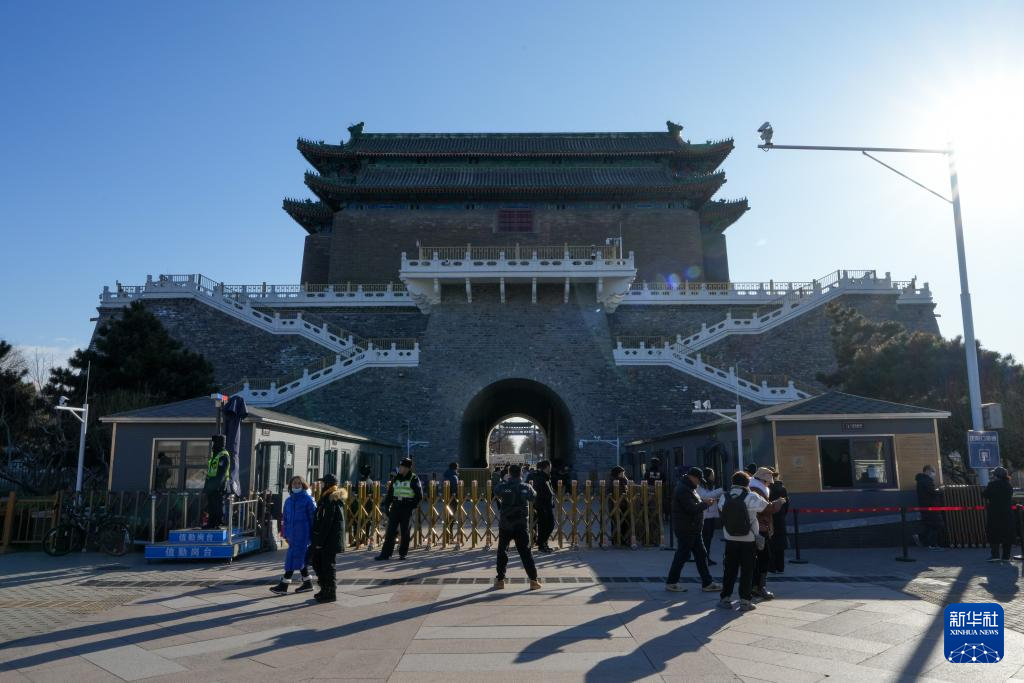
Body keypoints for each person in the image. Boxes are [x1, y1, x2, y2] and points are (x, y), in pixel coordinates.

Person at [717, 471, 772, 612]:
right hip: (748, 539)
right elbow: (765, 506)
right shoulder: (751, 496)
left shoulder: (724, 497)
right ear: (747, 483)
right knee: (747, 570)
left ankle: (725, 598)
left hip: (730, 538)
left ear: (733, 482)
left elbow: (721, 510)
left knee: (729, 570)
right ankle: (744, 601)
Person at [666, 467, 722, 593]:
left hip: (693, 529)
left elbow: (693, 505)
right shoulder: (683, 489)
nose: (699, 482)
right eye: (698, 479)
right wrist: (706, 504)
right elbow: (691, 508)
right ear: (692, 477)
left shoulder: (689, 488)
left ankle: (707, 583)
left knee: (701, 556)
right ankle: (672, 582)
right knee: (682, 556)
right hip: (687, 529)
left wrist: (703, 502)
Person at [493, 464, 541, 590]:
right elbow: (533, 496)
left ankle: (500, 580)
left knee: (502, 551)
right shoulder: (526, 487)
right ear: (521, 473)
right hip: (521, 525)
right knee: (526, 553)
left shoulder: (503, 486)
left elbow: (496, 491)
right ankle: (533, 580)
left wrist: (505, 481)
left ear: (509, 474)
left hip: (506, 524)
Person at [271, 476, 316, 594]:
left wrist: (313, 535)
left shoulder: (308, 500)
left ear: (303, 485)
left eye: (299, 483)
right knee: (298, 558)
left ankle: (284, 585)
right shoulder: (288, 501)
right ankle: (307, 583)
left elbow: (313, 518)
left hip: (303, 534)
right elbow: (285, 519)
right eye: (294, 483)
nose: (296, 485)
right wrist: (285, 534)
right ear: (290, 485)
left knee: (294, 557)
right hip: (292, 535)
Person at [749, 468, 786, 600]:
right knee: (764, 557)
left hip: (757, 527)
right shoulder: (756, 490)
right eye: (768, 481)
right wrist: (777, 503)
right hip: (760, 527)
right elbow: (764, 508)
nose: (770, 484)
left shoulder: (755, 488)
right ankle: (760, 587)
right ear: (762, 480)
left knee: (758, 558)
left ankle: (755, 586)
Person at [309, 473, 347, 603]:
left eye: (323, 483)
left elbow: (328, 523)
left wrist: (320, 541)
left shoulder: (332, 499)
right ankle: (324, 589)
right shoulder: (327, 497)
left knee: (328, 566)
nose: (322, 485)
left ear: (328, 484)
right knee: (317, 562)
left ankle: (330, 593)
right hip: (324, 539)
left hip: (329, 540)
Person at [376, 457, 423, 561]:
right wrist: (387, 506)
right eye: (400, 466)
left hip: (407, 507)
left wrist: (411, 507)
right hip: (396, 506)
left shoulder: (414, 478)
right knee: (390, 531)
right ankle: (385, 554)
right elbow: (390, 494)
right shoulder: (396, 478)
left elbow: (419, 496)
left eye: (402, 466)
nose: (400, 468)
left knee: (405, 531)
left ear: (407, 468)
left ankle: (403, 553)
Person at [983, 466, 1015, 562]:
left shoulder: (992, 484)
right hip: (1007, 513)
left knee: (994, 533)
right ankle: (1006, 556)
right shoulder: (1008, 485)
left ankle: (995, 556)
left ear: (996, 475)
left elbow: (984, 495)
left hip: (994, 513)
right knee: (1007, 533)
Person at [202, 434, 231, 528]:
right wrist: (206, 487)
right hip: (211, 486)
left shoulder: (223, 455)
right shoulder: (215, 456)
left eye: (215, 443)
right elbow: (210, 472)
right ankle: (211, 523)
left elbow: (222, 474)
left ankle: (218, 523)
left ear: (219, 443)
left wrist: (216, 486)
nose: (213, 445)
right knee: (211, 505)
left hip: (219, 486)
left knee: (218, 504)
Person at [914, 464, 945, 551]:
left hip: (926, 506)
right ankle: (932, 544)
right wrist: (940, 490)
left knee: (929, 525)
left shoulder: (921, 480)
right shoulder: (926, 480)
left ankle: (922, 539)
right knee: (936, 524)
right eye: (933, 471)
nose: (934, 473)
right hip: (931, 507)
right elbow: (932, 491)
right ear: (927, 471)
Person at [697, 467, 723, 565]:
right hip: (704, 516)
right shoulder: (699, 487)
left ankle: (706, 557)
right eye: (712, 475)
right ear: (707, 476)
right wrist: (720, 490)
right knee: (705, 538)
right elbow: (705, 496)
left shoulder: (711, 486)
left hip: (711, 516)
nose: (713, 477)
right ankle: (704, 558)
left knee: (709, 538)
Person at [768, 469, 790, 573]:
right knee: (780, 545)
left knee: (771, 544)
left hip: (770, 519)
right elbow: (786, 505)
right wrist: (782, 514)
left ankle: (772, 567)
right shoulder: (783, 489)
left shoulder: (767, 489)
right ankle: (780, 567)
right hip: (780, 519)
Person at [532, 461, 556, 552]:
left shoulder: (546, 477)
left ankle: (543, 543)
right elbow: (538, 492)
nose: (551, 468)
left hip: (547, 505)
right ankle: (541, 544)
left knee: (549, 525)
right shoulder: (540, 478)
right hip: (542, 505)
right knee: (545, 526)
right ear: (547, 467)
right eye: (550, 466)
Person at [608, 466, 633, 545]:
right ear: (617, 473)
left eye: (623, 473)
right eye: (622, 473)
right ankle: (616, 539)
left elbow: (628, 487)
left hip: (624, 504)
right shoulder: (613, 481)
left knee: (625, 522)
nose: (623, 474)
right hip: (615, 505)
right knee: (616, 522)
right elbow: (609, 492)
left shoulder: (624, 480)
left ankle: (624, 539)